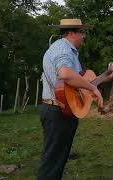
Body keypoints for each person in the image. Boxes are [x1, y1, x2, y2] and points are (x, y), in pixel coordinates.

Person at [37, 19, 103, 180]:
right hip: (57, 111)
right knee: (52, 161)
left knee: (59, 158)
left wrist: (106, 76)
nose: (84, 36)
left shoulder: (69, 51)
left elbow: (79, 84)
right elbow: (66, 74)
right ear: (72, 33)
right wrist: (94, 89)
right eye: (82, 33)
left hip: (64, 110)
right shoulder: (62, 47)